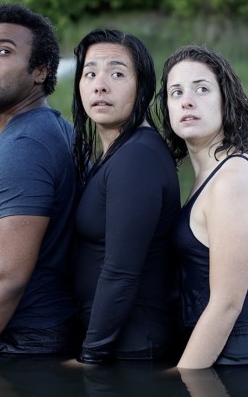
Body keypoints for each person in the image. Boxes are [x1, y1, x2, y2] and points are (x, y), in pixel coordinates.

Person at [156, 45, 248, 369]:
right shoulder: (209, 172)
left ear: (225, 100)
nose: (187, 100)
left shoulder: (232, 180)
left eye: (201, 89)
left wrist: (181, 375)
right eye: (176, 93)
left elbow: (226, 304)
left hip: (242, 362)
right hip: (222, 358)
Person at [0, 3, 78, 355]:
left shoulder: (24, 147)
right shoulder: (54, 129)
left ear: (39, 71)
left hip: (24, 346)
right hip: (42, 339)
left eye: (3, 51)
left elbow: (8, 277)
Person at [70, 29, 181, 364]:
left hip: (132, 351)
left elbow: (121, 272)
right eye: (90, 73)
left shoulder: (138, 157)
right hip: (121, 347)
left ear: (142, 86)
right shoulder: (118, 153)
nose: (100, 85)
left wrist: (89, 358)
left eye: (117, 73)